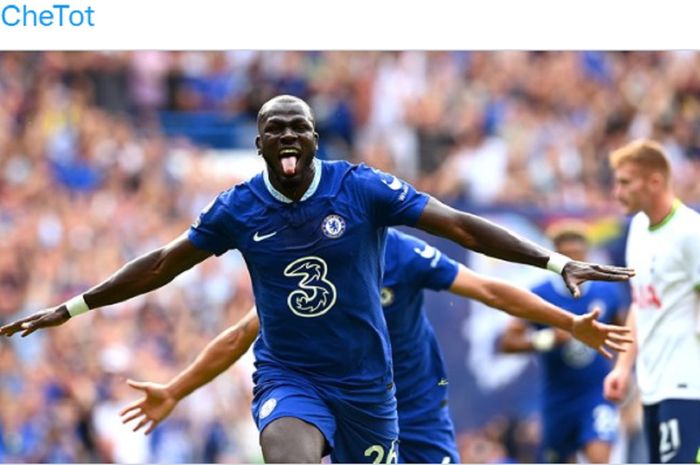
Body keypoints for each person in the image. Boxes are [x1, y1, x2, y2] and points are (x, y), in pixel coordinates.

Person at [0, 95, 634, 463]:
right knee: (287, 451)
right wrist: (73, 309)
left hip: (372, 388)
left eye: (299, 126)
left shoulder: (365, 198)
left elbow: (467, 236)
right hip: (292, 375)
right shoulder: (239, 210)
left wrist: (556, 265)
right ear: (258, 144)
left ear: (313, 138)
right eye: (275, 128)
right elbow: (173, 273)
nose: (289, 136)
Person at [120, 227, 629, 464]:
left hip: (417, 401)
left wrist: (569, 323)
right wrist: (175, 389)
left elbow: (491, 290)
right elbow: (241, 334)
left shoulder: (404, 255)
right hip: (353, 404)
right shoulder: (314, 268)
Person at [603, 139, 700, 464]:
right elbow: (639, 303)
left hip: (687, 383)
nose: (617, 191)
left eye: (625, 182)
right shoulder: (638, 229)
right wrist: (623, 366)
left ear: (655, 181)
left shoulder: (690, 233)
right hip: (652, 384)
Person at [499, 223, 629, 463]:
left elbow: (626, 334)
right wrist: (548, 339)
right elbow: (507, 342)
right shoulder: (539, 294)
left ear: (587, 256)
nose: (574, 262)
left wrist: (622, 371)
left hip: (596, 391)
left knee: (600, 456)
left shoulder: (606, 292)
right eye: (567, 256)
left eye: (578, 255)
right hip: (558, 397)